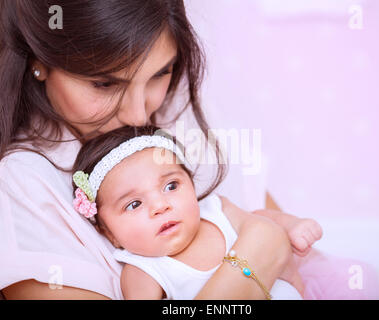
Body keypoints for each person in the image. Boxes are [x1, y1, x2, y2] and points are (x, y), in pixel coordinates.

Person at [0, 0, 310, 299]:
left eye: (161, 73)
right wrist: (261, 250)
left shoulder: (180, 113)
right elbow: (268, 241)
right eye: (105, 84)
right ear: (38, 61)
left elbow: (301, 255)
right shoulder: (20, 183)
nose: (138, 115)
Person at [70, 125, 323, 299]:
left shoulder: (215, 210)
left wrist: (292, 224)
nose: (161, 206)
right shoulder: (142, 271)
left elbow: (259, 218)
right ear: (109, 234)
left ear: (191, 184)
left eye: (171, 186)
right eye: (134, 204)